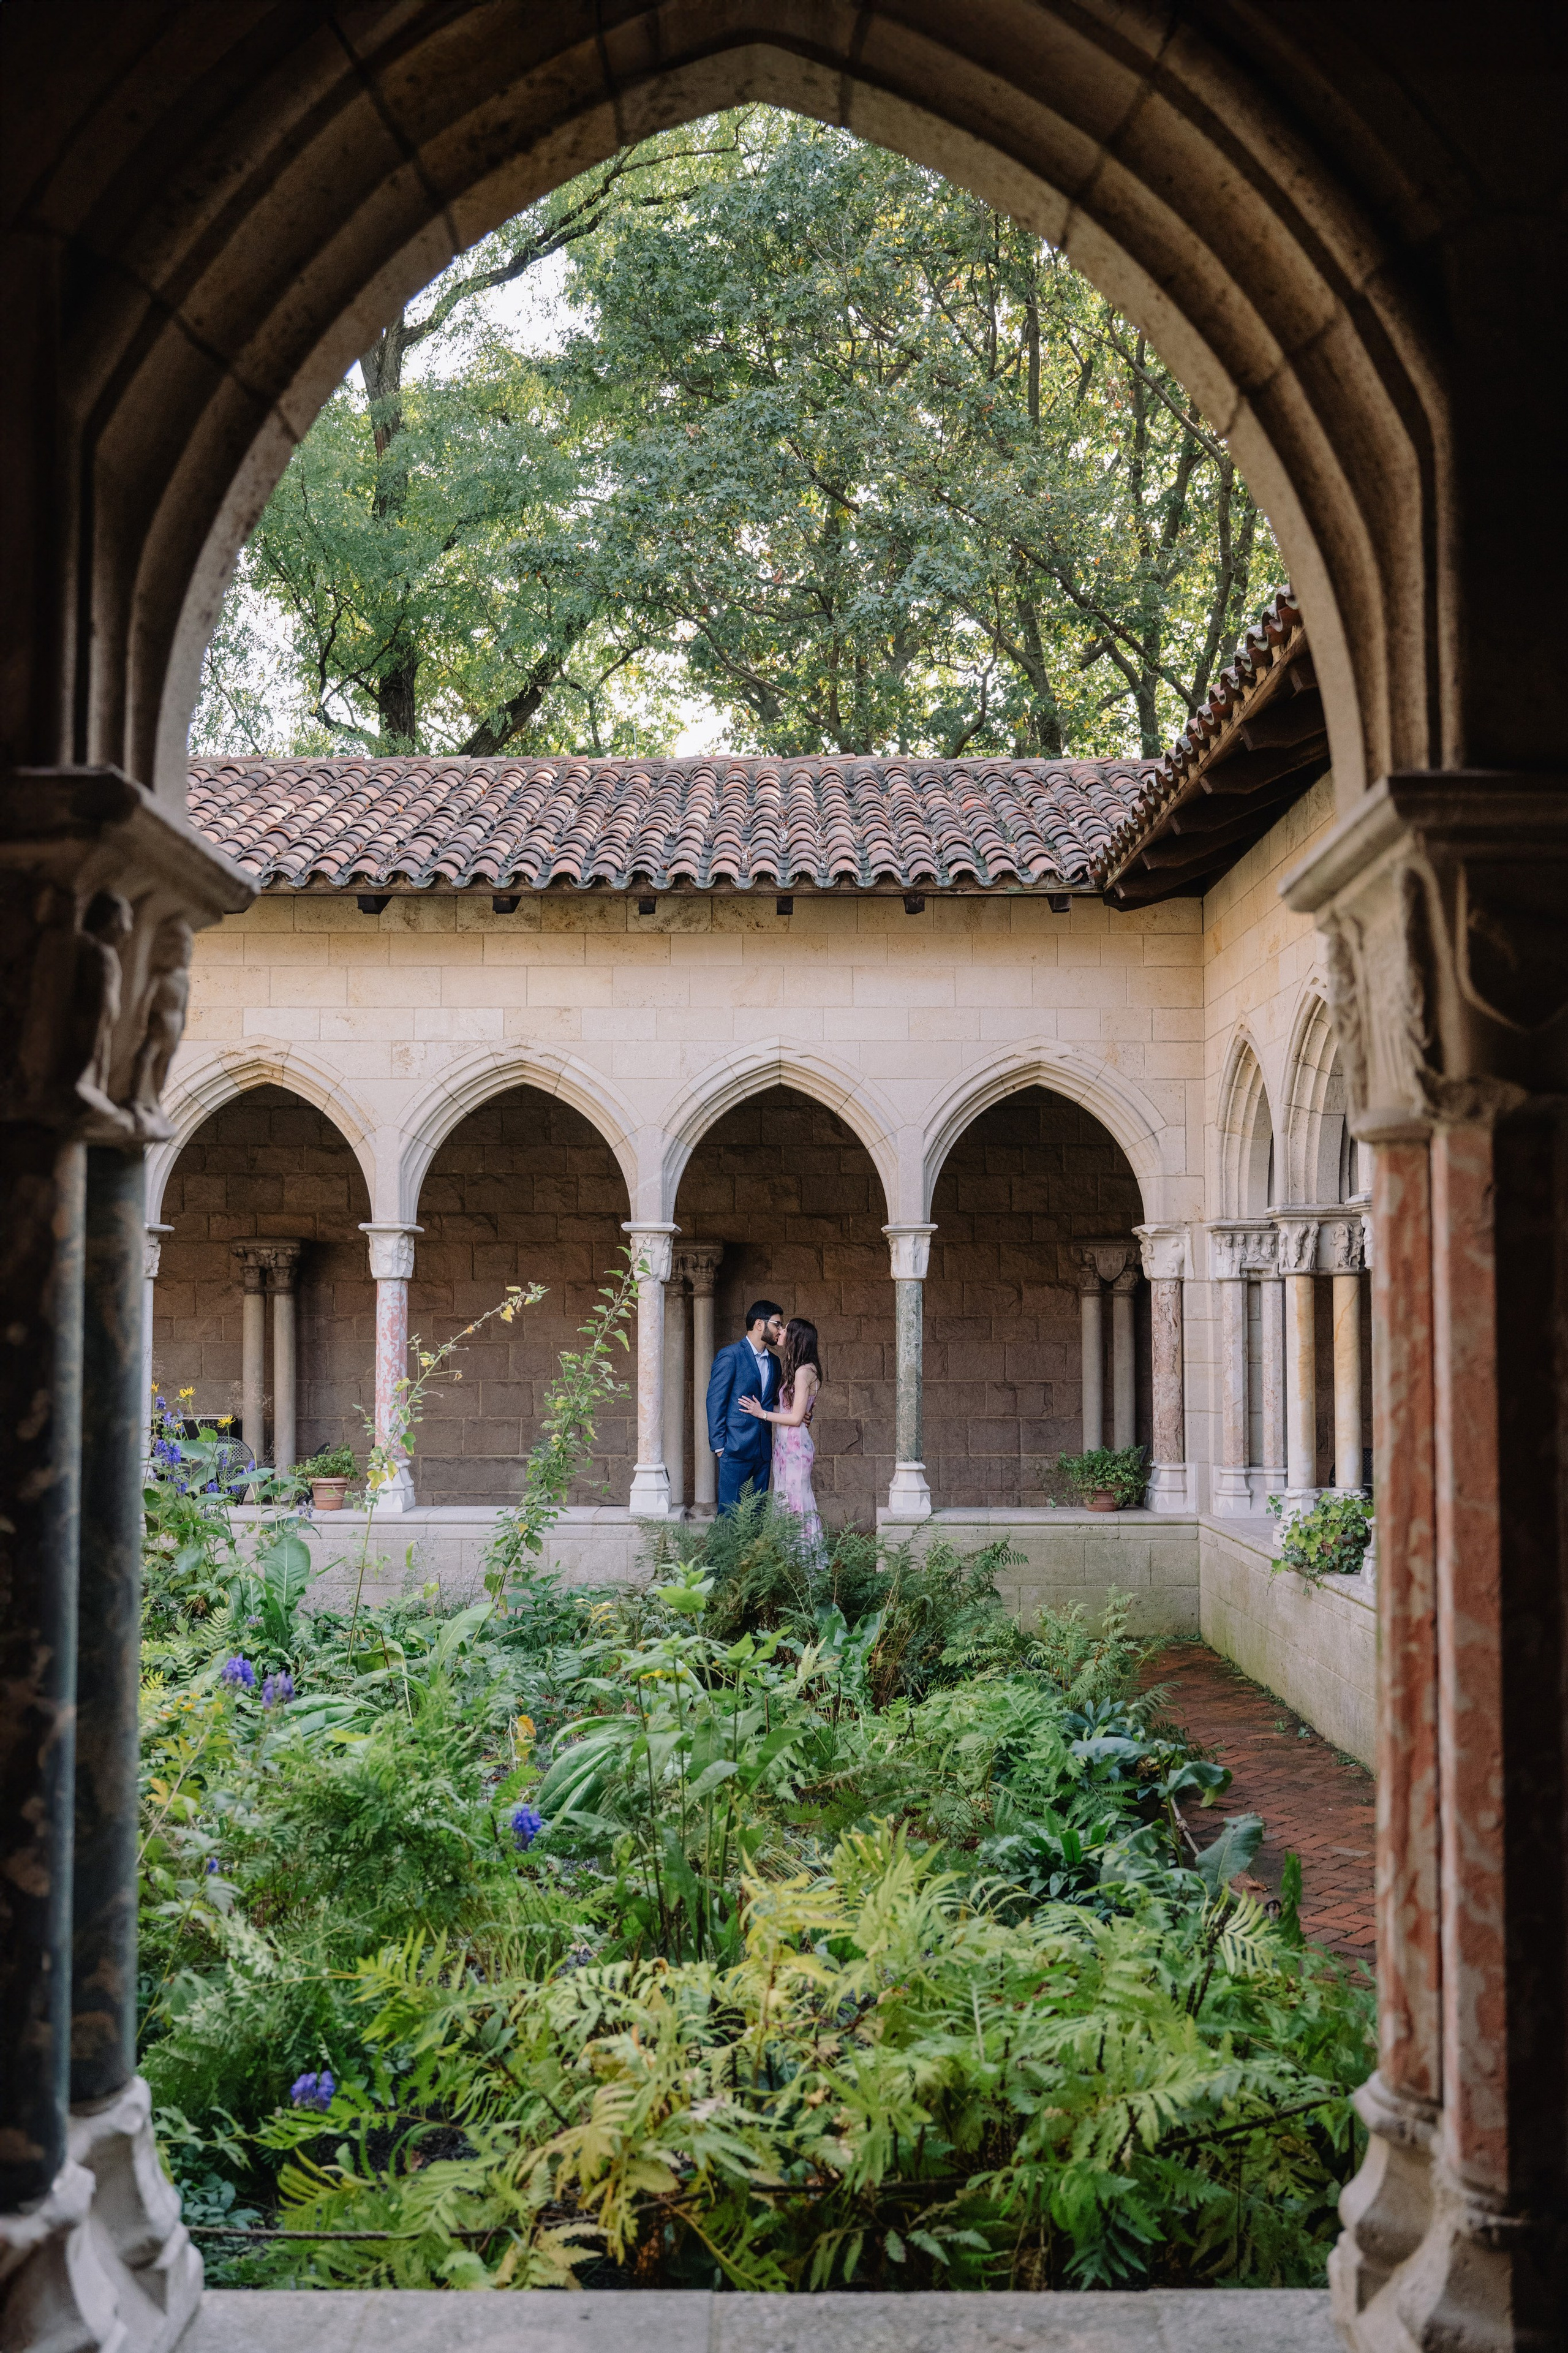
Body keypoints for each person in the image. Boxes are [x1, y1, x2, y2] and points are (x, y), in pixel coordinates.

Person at [739, 1316, 824, 1556]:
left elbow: (796, 1418)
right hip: (786, 1444)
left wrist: (762, 1414)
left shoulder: (803, 1372)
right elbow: (792, 1411)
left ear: (796, 1337)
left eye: (787, 1329)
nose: (782, 1331)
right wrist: (762, 1409)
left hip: (795, 1446)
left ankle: (804, 1562)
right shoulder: (801, 1369)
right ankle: (790, 1560)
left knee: (796, 1504)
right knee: (786, 1501)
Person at [706, 1299, 785, 1515]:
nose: (780, 1330)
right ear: (760, 1324)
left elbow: (773, 1403)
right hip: (734, 1448)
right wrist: (720, 1446)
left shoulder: (775, 1362)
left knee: (757, 1514)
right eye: (777, 1324)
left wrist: (802, 1415)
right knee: (730, 1514)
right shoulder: (730, 1356)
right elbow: (715, 1401)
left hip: (762, 1451)